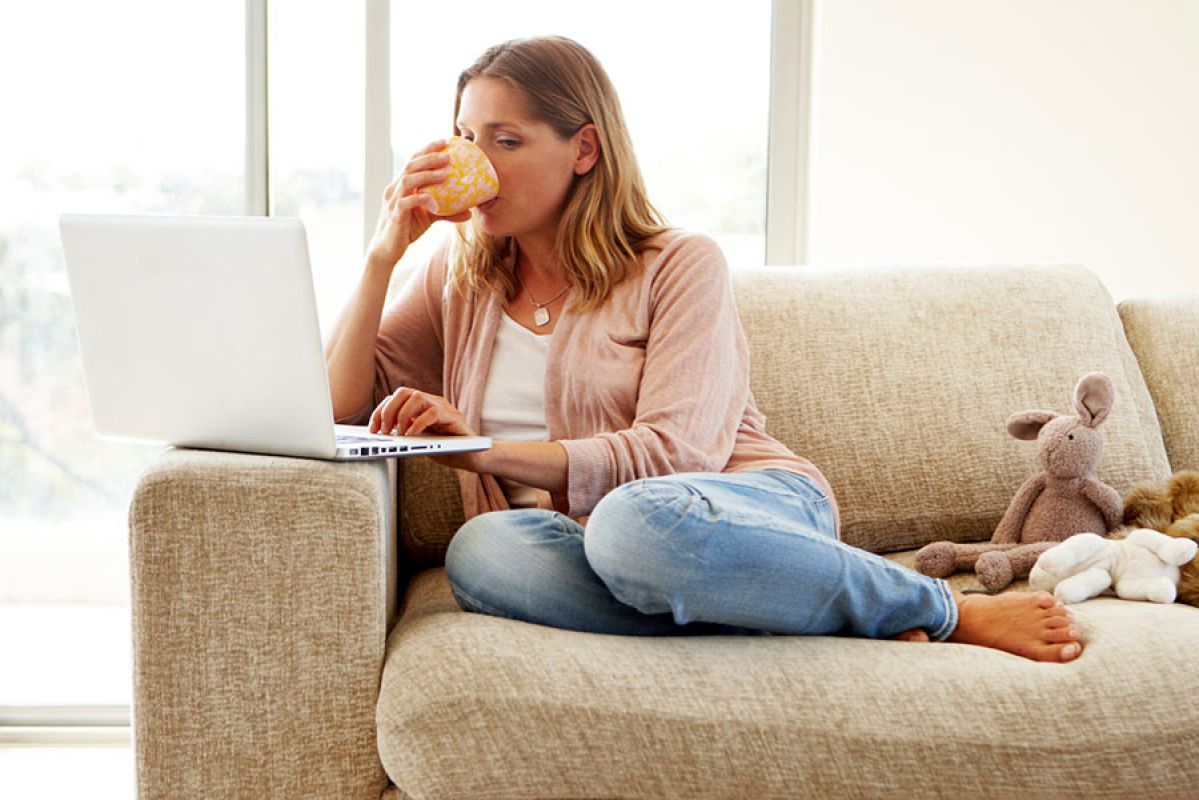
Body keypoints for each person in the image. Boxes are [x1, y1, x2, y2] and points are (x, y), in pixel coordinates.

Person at [324, 35, 1083, 662]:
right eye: (464, 137)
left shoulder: (678, 263)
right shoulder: (459, 280)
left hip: (733, 512)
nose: (477, 162)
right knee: (482, 552)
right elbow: (336, 404)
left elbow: (672, 454)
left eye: (506, 140)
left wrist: (483, 452)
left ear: (583, 149)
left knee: (630, 525)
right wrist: (381, 255)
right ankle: (798, 608)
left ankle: (935, 607)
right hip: (589, 547)